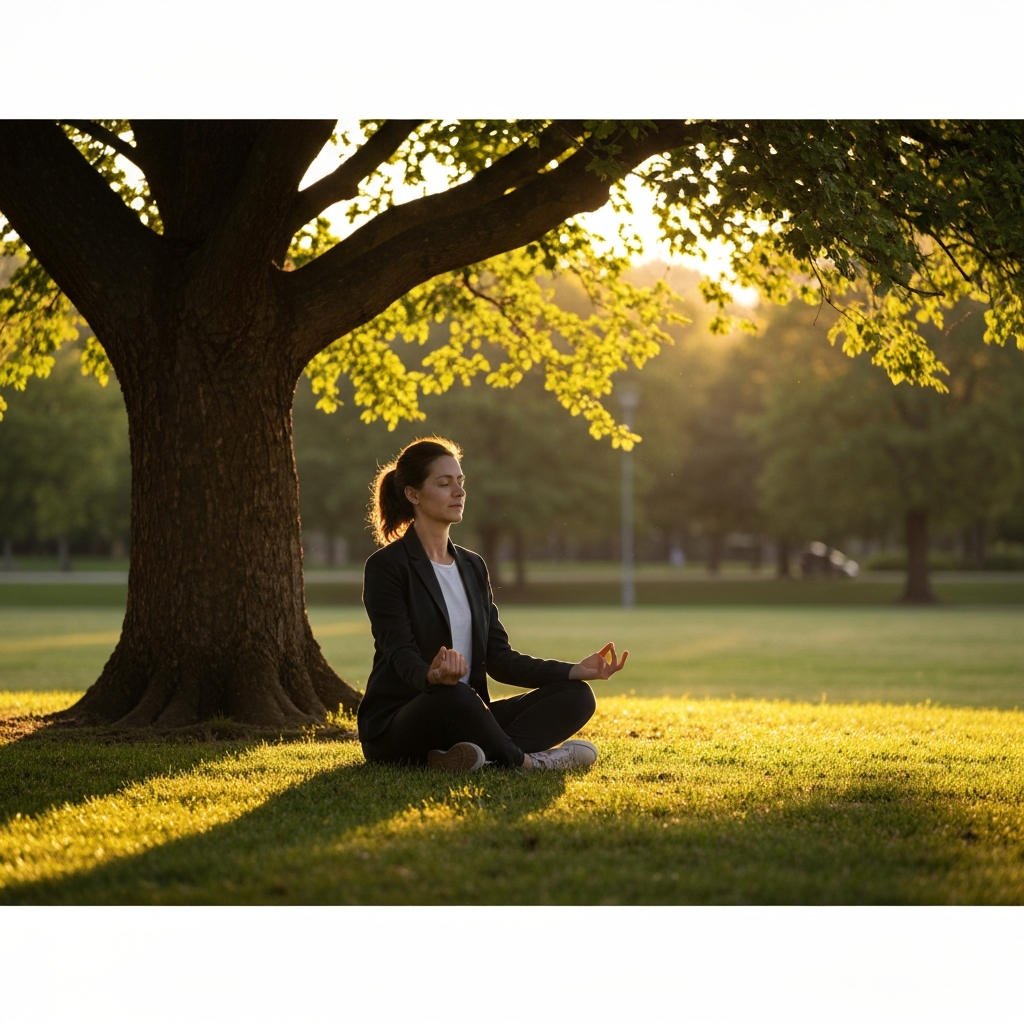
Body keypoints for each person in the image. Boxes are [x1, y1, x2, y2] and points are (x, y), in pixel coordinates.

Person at [357, 436, 628, 772]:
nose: (458, 491)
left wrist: (574, 670)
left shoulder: (473, 567)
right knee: (453, 694)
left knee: (575, 696)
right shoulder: (387, 566)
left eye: (460, 481)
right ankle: (525, 762)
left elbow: (500, 659)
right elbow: (398, 651)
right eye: (444, 484)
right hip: (404, 722)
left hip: (467, 714)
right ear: (413, 494)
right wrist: (432, 676)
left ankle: (471, 758)